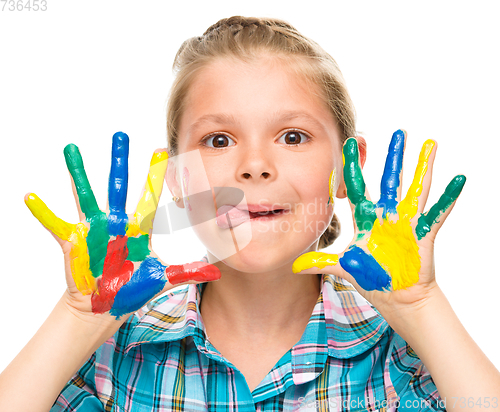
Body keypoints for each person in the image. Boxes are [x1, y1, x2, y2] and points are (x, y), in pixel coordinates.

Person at [0, 15, 499, 412]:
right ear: (175, 179)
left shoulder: (399, 350)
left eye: (292, 136)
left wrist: (421, 308)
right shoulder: (118, 347)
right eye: (218, 140)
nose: (255, 166)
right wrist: (76, 320)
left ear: (349, 169)